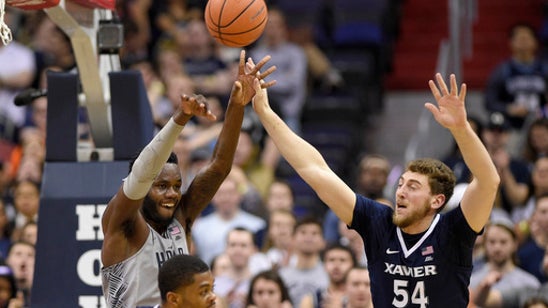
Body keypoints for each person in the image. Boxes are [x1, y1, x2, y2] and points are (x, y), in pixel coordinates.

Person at [250, 72, 500, 307]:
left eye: (413, 187)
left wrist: (460, 128)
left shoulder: (454, 231)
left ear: (436, 200)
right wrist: (265, 112)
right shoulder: (378, 223)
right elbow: (316, 171)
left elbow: (488, 181)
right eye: (400, 184)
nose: (400, 192)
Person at [101, 50, 276, 307]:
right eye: (161, 186)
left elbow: (218, 167)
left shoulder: (181, 217)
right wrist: (180, 118)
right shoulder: (123, 223)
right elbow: (142, 172)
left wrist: (237, 104)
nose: (172, 193)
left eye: (176, 186)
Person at [470, 217, 540, 305]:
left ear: (515, 244)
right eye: (492, 242)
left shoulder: (530, 283)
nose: (497, 248)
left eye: (503, 242)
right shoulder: (471, 282)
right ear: (485, 245)